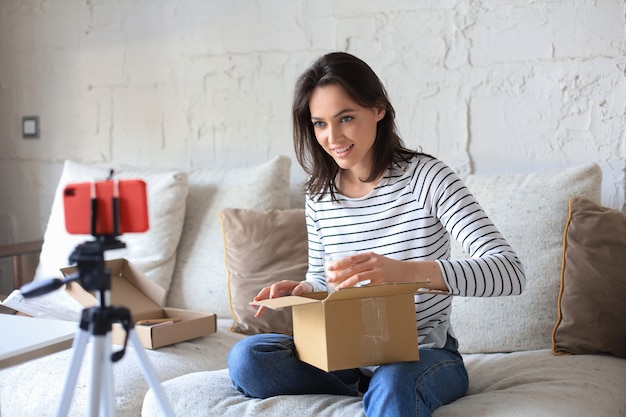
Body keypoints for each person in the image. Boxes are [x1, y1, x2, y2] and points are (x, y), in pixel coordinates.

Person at [227, 52, 526, 417]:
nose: (332, 137)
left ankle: (383, 391)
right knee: (248, 357)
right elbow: (325, 279)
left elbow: (509, 272)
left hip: (420, 354)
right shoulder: (320, 193)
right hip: (346, 355)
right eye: (320, 123)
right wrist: (306, 291)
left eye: (346, 118)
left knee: (395, 379)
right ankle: (367, 388)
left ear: (379, 109)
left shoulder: (427, 178)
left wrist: (404, 273)